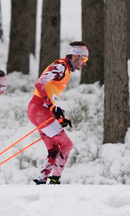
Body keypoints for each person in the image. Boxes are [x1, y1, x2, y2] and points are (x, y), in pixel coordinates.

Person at [28, 41, 89, 184]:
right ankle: (55, 181)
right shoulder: (60, 66)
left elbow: (48, 90)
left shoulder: (64, 68)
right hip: (39, 110)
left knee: (54, 148)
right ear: (75, 56)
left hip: (37, 110)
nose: (85, 63)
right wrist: (51, 107)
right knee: (67, 145)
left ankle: (42, 181)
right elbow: (40, 83)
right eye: (84, 58)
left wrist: (57, 111)